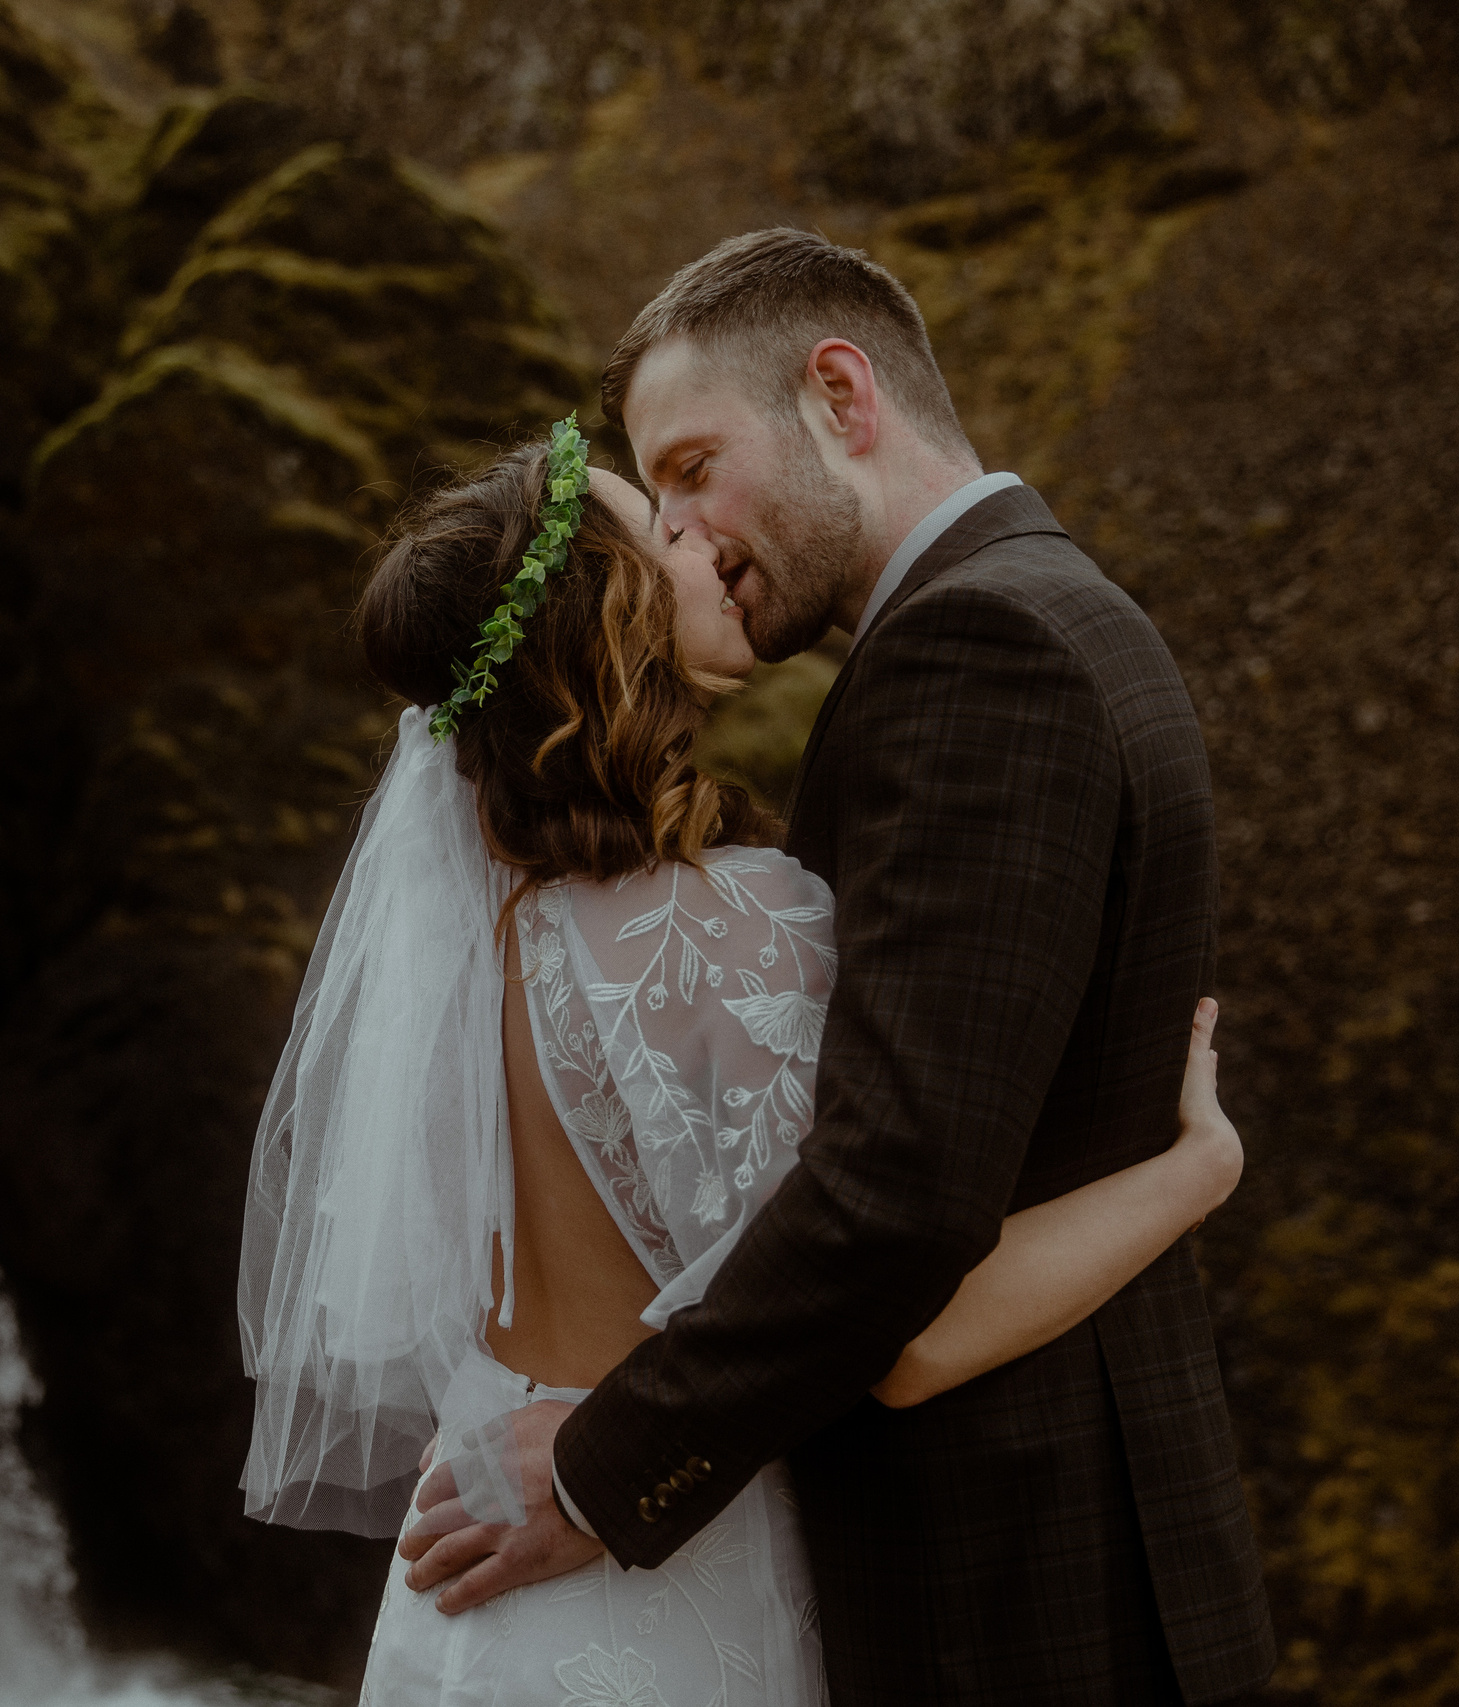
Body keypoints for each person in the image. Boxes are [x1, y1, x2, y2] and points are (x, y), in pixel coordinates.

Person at [240, 392, 1256, 1702]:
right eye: (651, 526)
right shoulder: (739, 927)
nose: (692, 536)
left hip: (476, 1611)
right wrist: (1195, 1173)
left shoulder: (461, 947)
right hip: (676, 1599)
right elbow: (903, 1321)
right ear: (611, 619)